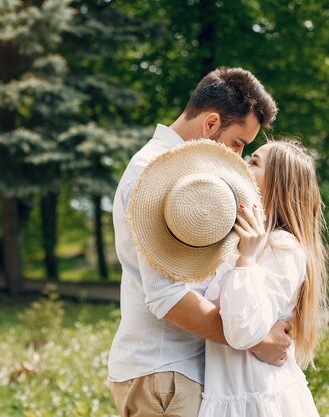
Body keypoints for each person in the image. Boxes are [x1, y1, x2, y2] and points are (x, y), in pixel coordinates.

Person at [108, 67, 290, 417]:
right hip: (166, 375)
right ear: (210, 124)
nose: (237, 157)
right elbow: (167, 296)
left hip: (177, 375)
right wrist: (255, 339)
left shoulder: (187, 175)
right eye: (238, 142)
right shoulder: (152, 172)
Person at [198, 139, 329, 416]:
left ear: (277, 186)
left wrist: (246, 261)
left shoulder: (282, 247)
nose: (243, 163)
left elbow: (243, 332)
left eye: (254, 162)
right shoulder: (242, 242)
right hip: (230, 391)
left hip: (256, 399)